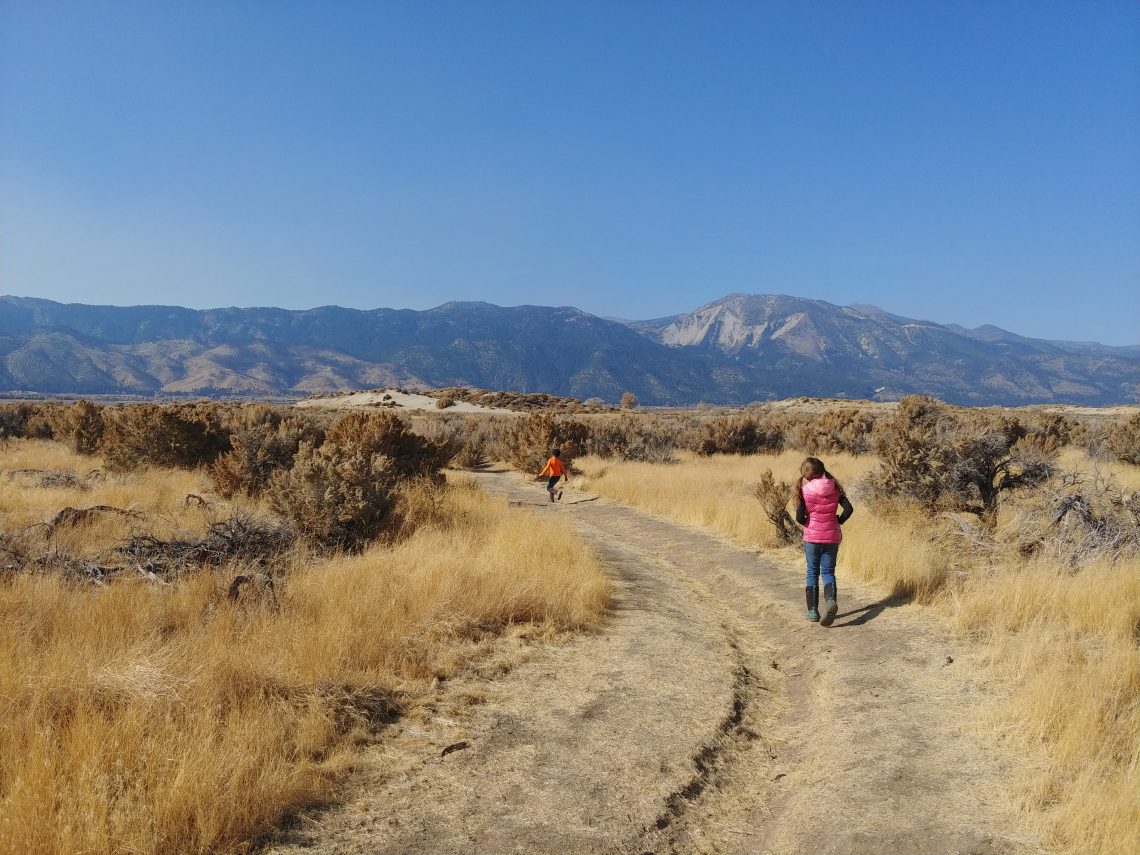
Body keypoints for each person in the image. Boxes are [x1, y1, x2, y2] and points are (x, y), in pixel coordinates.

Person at [795, 456, 853, 626]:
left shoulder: (805, 490)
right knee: (828, 572)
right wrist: (838, 521)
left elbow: (799, 517)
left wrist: (808, 523)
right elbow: (849, 509)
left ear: (807, 474)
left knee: (812, 572)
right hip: (831, 537)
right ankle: (830, 602)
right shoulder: (835, 486)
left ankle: (812, 611)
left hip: (812, 538)